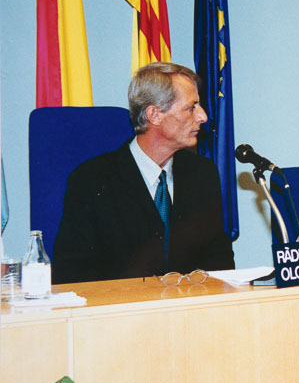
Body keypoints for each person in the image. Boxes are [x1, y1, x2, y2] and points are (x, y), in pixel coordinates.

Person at [53, 62, 235, 283]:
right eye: (191, 107)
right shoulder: (92, 180)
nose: (203, 116)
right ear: (154, 115)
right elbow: (71, 273)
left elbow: (220, 262)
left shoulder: (202, 174)